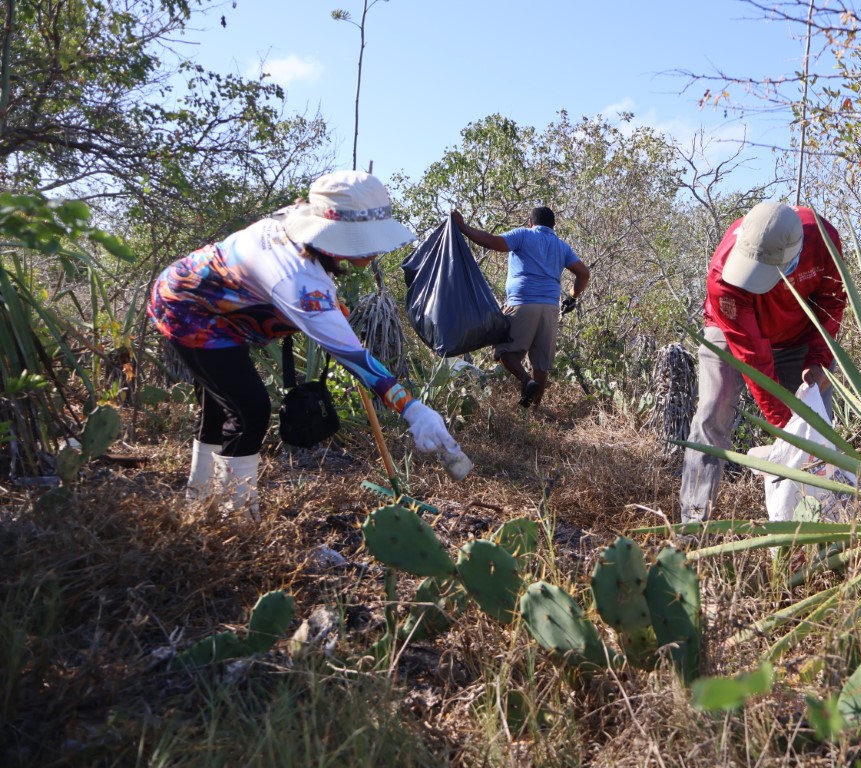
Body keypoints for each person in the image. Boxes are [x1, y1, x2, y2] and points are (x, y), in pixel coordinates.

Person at [148, 170, 462, 522]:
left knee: (223, 406)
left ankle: (198, 499)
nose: (375, 248)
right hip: (187, 309)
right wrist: (413, 410)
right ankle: (235, 519)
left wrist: (329, 306)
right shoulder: (296, 279)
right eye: (365, 237)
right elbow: (352, 356)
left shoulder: (298, 229)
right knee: (249, 411)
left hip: (218, 306)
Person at [679, 201, 847, 523]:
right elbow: (753, 359)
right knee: (713, 413)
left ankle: (817, 526)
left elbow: (832, 303)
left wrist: (818, 360)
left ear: (795, 255)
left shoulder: (823, 240)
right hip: (732, 333)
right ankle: (694, 522)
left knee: (817, 428)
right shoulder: (724, 277)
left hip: (799, 337)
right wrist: (786, 432)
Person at [450, 206, 590, 408]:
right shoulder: (562, 246)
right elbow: (583, 273)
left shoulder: (524, 234)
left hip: (523, 302)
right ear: (554, 225)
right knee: (540, 363)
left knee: (503, 350)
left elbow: (492, 242)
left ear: (530, 222)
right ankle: (534, 410)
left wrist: (463, 227)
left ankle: (526, 380)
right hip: (550, 308)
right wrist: (572, 296)